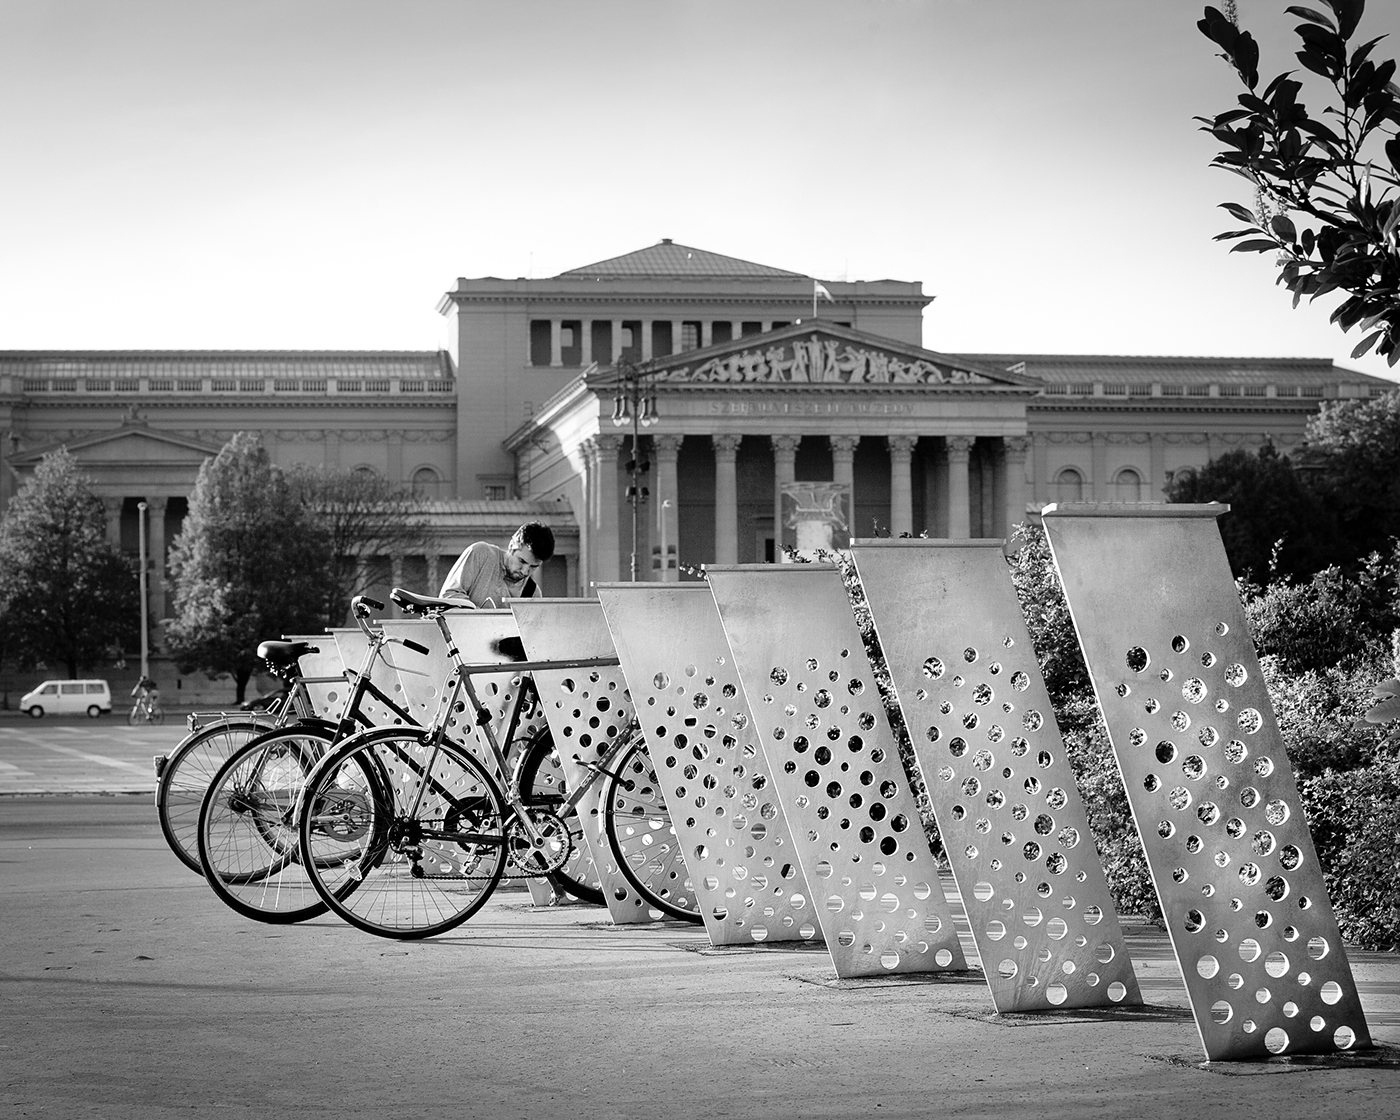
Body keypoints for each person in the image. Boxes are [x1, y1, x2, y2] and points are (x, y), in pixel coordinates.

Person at [438, 521, 554, 608]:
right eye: (522, 561)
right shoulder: (481, 553)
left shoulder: (532, 593)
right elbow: (449, 596)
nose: (524, 571)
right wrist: (485, 619)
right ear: (511, 546)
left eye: (533, 567)